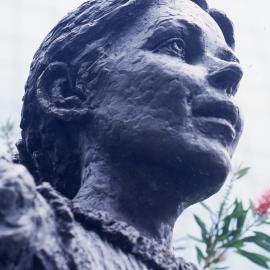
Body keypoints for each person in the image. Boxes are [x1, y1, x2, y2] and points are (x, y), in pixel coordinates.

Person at [0, 0, 243, 269]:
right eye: (177, 47)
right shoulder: (18, 225)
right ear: (66, 91)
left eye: (233, 87)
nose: (233, 72)